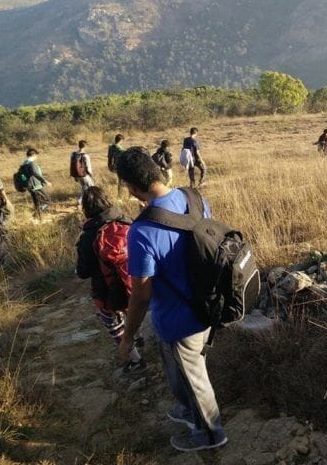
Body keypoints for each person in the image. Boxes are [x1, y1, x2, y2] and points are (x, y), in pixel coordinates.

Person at [116, 147, 227, 453]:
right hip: (208, 302)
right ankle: (187, 410)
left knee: (195, 379)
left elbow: (140, 294)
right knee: (180, 367)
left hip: (179, 319)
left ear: (132, 186)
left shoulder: (140, 231)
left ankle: (210, 434)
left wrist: (127, 338)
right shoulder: (193, 197)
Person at [75, 187, 146, 374]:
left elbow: (82, 272)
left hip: (105, 291)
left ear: (86, 208)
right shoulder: (126, 221)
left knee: (113, 323)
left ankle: (135, 360)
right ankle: (138, 336)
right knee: (131, 310)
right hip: (135, 282)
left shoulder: (87, 235)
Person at [22, 148, 51, 219]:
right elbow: (36, 173)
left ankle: (39, 218)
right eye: (36, 155)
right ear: (33, 154)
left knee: (37, 202)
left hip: (30, 186)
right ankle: (37, 213)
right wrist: (45, 181)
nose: (36, 157)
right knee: (47, 201)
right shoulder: (32, 163)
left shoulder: (24, 163)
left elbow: (21, 175)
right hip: (36, 186)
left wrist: (26, 183)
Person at [71, 140, 95, 206]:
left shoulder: (73, 154)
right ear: (85, 146)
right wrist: (90, 174)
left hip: (76, 174)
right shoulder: (85, 155)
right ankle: (84, 201)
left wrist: (74, 176)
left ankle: (81, 201)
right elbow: (88, 166)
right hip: (84, 175)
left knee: (83, 187)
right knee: (91, 186)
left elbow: (72, 165)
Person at [107, 134, 125, 198]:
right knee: (123, 181)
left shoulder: (111, 147)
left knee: (121, 181)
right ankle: (120, 197)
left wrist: (109, 165)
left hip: (114, 165)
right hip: (121, 166)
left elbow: (109, 157)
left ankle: (120, 196)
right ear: (121, 140)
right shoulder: (120, 148)